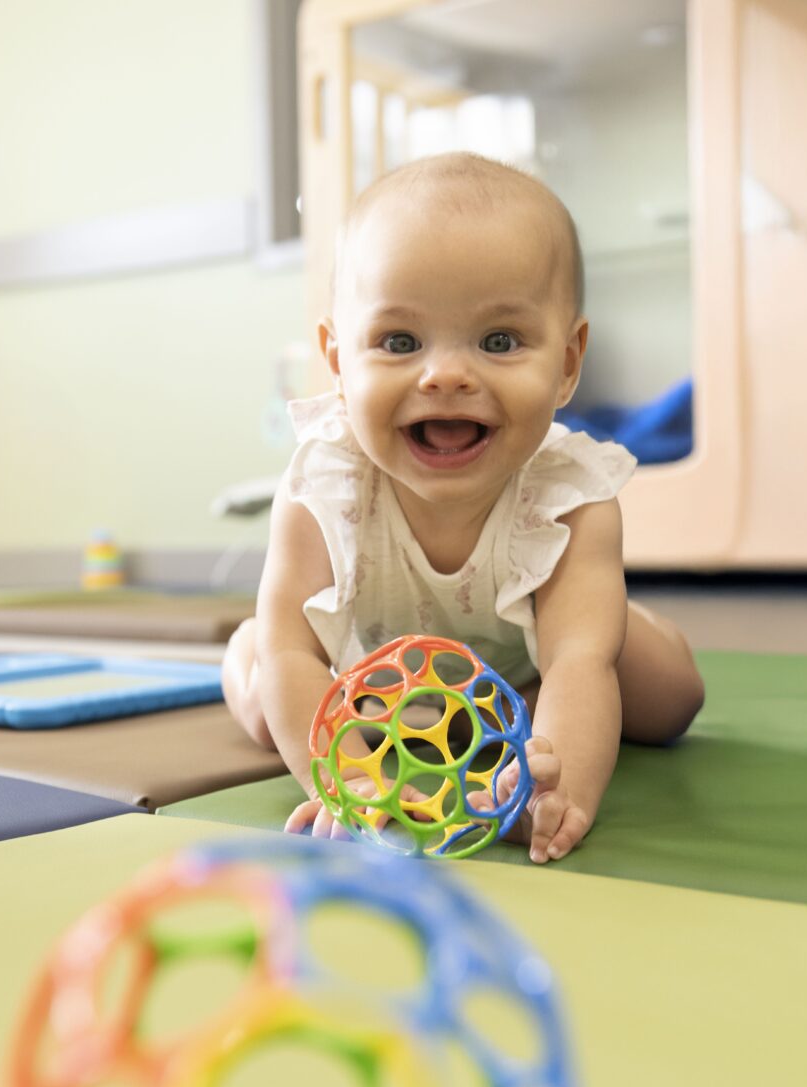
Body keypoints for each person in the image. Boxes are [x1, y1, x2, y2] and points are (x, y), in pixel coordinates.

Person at [223, 152, 705, 863]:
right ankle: (238, 650)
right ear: (337, 358)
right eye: (399, 342)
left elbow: (574, 667)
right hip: (373, 681)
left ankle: (619, 621)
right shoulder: (322, 491)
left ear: (568, 364)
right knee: (268, 686)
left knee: (666, 703)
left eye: (499, 341)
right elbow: (297, 654)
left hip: (528, 666)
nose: (445, 374)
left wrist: (547, 796)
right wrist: (351, 785)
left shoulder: (569, 502)